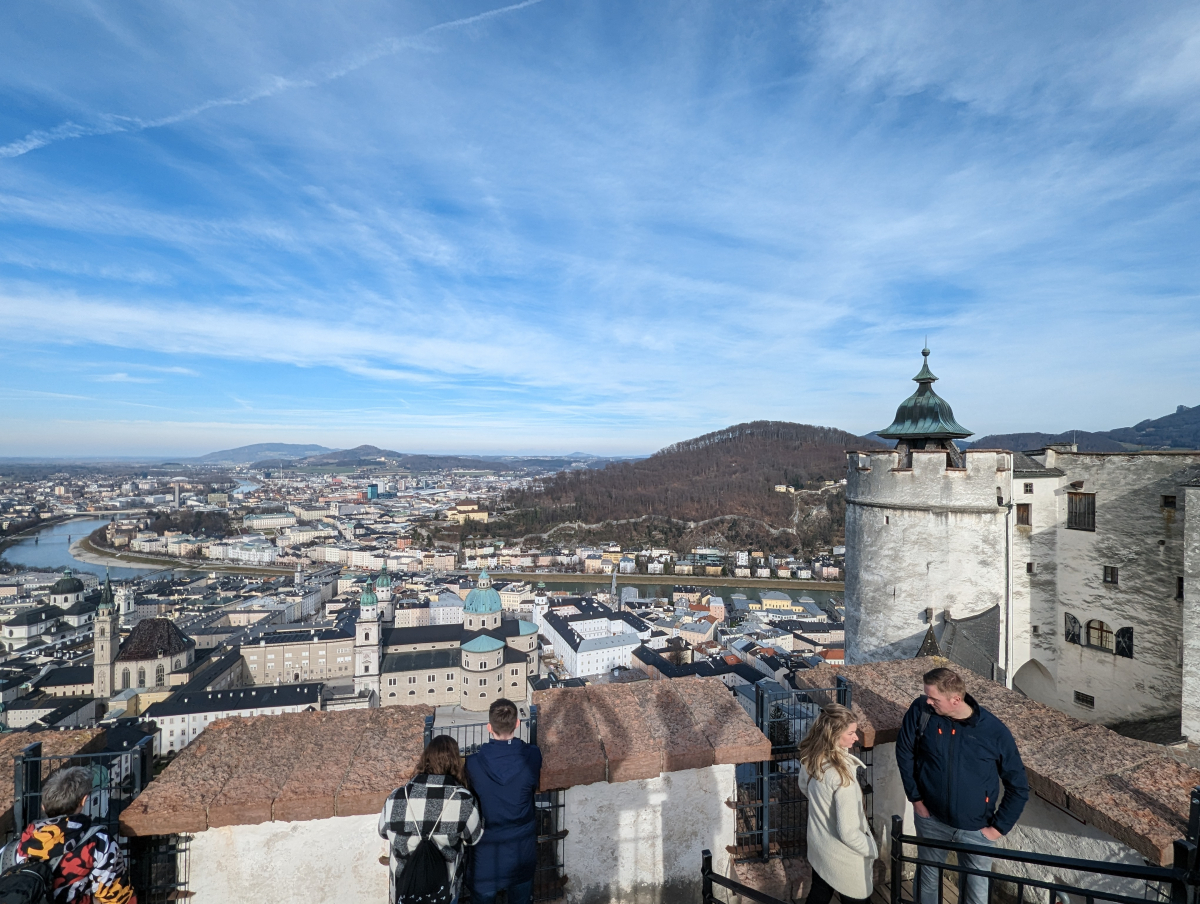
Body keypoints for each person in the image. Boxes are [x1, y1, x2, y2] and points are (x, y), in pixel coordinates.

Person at [895, 667, 1030, 904]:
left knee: (976, 891)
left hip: (976, 827)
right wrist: (915, 799)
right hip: (932, 817)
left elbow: (1018, 786)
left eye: (934, 698)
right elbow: (905, 751)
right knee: (927, 881)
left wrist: (997, 829)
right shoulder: (922, 711)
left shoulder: (994, 732)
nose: (928, 701)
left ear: (956, 699)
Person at [379, 735, 483, 904]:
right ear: (457, 763)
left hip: (403, 889)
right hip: (442, 890)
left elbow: (383, 832)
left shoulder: (396, 797)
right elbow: (474, 837)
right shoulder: (463, 800)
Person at [16, 766, 136, 904]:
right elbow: (117, 896)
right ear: (84, 801)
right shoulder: (97, 842)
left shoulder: (16, 847)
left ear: (43, 806)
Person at [466, 699, 543, 904]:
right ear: (517, 724)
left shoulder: (473, 764)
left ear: (489, 727)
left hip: (486, 850)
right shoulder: (533, 756)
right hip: (522, 849)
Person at [798, 704, 876, 904]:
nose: (856, 737)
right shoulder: (843, 779)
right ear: (834, 735)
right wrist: (871, 849)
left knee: (819, 893)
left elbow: (805, 789)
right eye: (851, 733)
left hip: (821, 845)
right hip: (846, 859)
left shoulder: (811, 759)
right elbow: (849, 833)